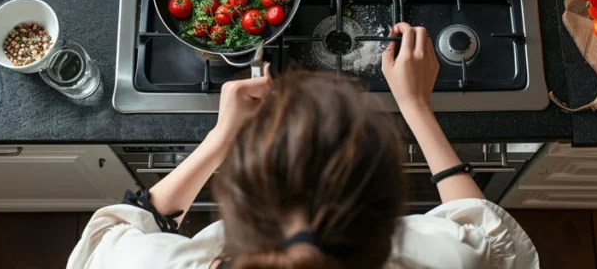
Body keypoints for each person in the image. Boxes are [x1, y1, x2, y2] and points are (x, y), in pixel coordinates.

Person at [69, 23, 539, 269]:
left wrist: (219, 138)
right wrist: (415, 105)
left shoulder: (146, 264)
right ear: (392, 217)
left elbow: (130, 223)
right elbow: (479, 225)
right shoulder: (443, 261)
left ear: (231, 204)